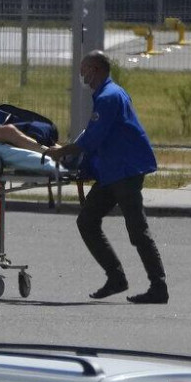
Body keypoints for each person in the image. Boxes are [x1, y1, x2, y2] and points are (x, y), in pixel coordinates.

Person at [47, 50, 168, 304]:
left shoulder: (109, 97)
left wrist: (63, 152)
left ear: (98, 70)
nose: (82, 75)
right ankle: (116, 277)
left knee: (137, 230)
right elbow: (96, 137)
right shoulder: (106, 95)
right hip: (112, 172)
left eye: (85, 69)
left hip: (124, 171)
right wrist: (82, 164)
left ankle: (158, 287)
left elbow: (93, 138)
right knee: (87, 221)